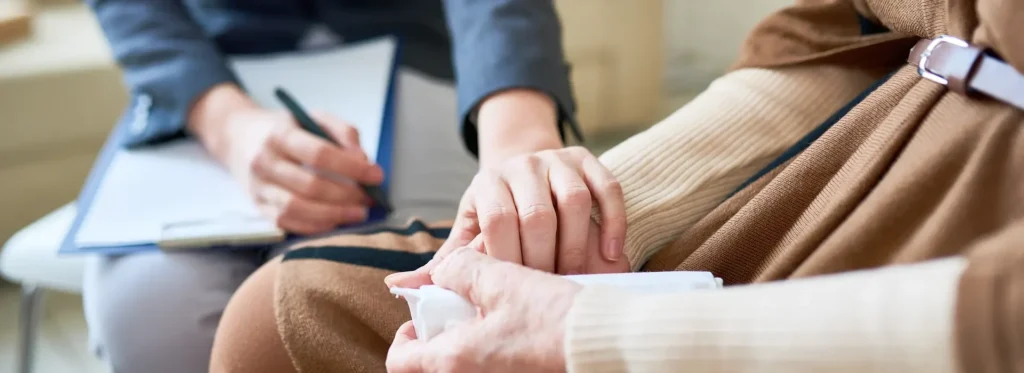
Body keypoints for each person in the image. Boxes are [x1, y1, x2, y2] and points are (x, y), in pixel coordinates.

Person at [212, 0, 1024, 372]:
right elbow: (849, 28)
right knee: (277, 316)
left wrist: (595, 334)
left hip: (962, 288)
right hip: (858, 144)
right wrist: (596, 210)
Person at [81, 1, 623, 372]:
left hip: (420, 52)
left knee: (365, 301)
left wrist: (517, 135)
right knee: (144, 314)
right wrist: (227, 124)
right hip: (207, 76)